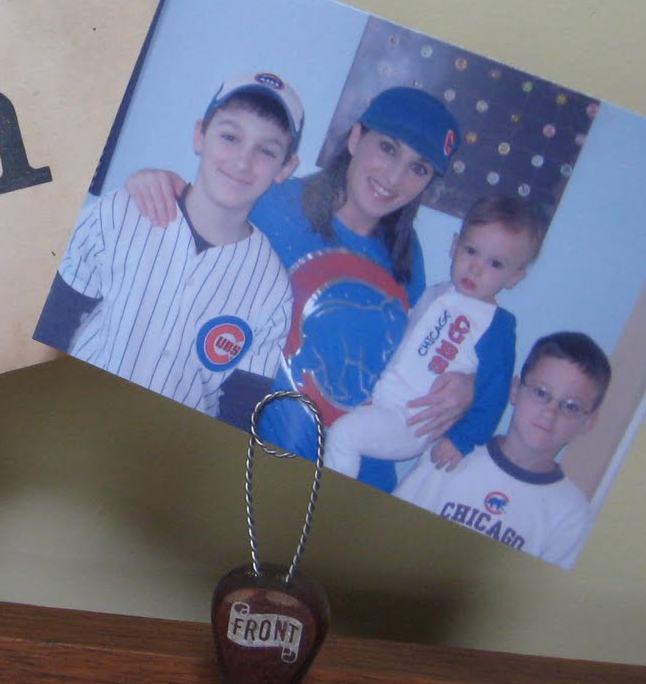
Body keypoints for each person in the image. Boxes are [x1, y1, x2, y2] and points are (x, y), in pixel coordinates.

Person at [125, 85, 474, 489]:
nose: (395, 178)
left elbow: (415, 362)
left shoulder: (408, 256)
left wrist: (465, 386)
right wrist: (150, 182)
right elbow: (190, 230)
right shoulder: (272, 201)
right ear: (356, 137)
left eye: (419, 168)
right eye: (388, 148)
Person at [33, 70, 303, 421]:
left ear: (285, 168)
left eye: (266, 151)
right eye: (230, 136)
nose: (242, 161)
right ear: (199, 135)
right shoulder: (124, 209)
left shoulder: (272, 290)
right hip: (68, 413)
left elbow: (237, 413)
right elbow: (51, 324)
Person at [322, 194, 545, 480]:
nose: (476, 268)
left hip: (411, 418)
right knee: (329, 423)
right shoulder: (435, 292)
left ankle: (327, 500)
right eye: (471, 251)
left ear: (514, 277)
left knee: (344, 435)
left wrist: (462, 439)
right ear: (455, 246)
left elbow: (494, 391)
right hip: (377, 397)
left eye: (495, 264)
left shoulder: (496, 325)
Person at [394, 331, 610, 568]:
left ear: (588, 422)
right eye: (541, 393)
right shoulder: (448, 456)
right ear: (515, 390)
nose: (550, 412)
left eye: (570, 406)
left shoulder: (571, 516)